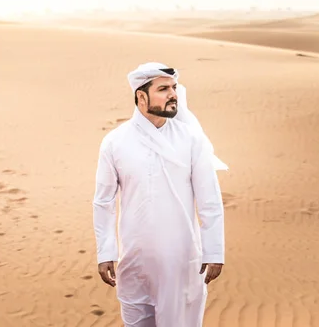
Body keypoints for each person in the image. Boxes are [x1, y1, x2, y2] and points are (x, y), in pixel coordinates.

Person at [92, 62, 226, 326]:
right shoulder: (115, 142)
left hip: (180, 260)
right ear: (141, 97)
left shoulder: (190, 139)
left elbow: (209, 199)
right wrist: (106, 251)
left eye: (174, 88)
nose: (173, 94)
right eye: (163, 89)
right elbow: (103, 202)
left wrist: (214, 251)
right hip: (134, 261)